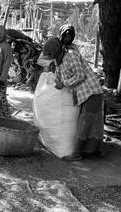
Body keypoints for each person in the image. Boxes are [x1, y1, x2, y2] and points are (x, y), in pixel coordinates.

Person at [41, 33, 104, 161]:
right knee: (92, 123)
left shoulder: (71, 55)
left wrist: (64, 83)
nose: (49, 58)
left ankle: (76, 153)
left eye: (49, 55)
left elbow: (80, 75)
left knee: (85, 123)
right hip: (83, 95)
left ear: (54, 51)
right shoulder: (59, 62)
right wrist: (51, 79)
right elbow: (58, 79)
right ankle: (92, 151)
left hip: (92, 91)